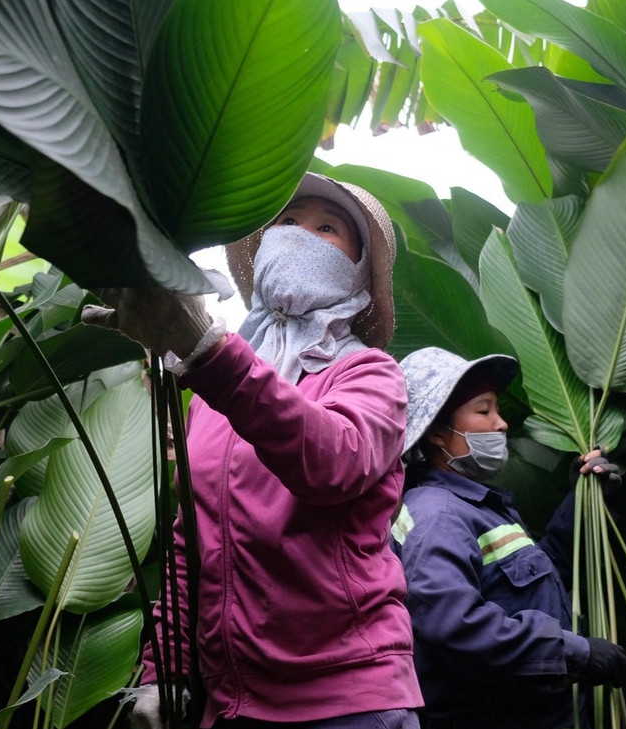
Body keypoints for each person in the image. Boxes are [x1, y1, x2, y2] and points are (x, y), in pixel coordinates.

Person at [82, 173, 423, 728]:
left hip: (346, 701)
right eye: (286, 222)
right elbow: (190, 542)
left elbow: (333, 463)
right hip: (234, 706)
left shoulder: (367, 373)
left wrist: (207, 352)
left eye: (327, 227)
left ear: (359, 269)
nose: (298, 235)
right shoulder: (212, 397)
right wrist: (160, 671)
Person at [393, 346, 626, 729]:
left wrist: (583, 501)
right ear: (437, 432)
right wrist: (574, 652)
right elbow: (455, 625)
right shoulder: (439, 516)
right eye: (484, 410)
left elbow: (537, 579)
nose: (501, 423)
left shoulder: (474, 507)